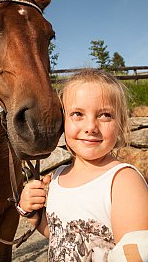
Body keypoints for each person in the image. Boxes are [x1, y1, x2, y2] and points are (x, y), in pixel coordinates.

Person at [18, 68, 148, 261]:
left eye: (104, 115)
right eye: (78, 114)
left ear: (120, 123)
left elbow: (135, 254)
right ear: (63, 121)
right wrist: (34, 215)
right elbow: (61, 238)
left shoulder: (123, 182)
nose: (91, 127)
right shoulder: (58, 176)